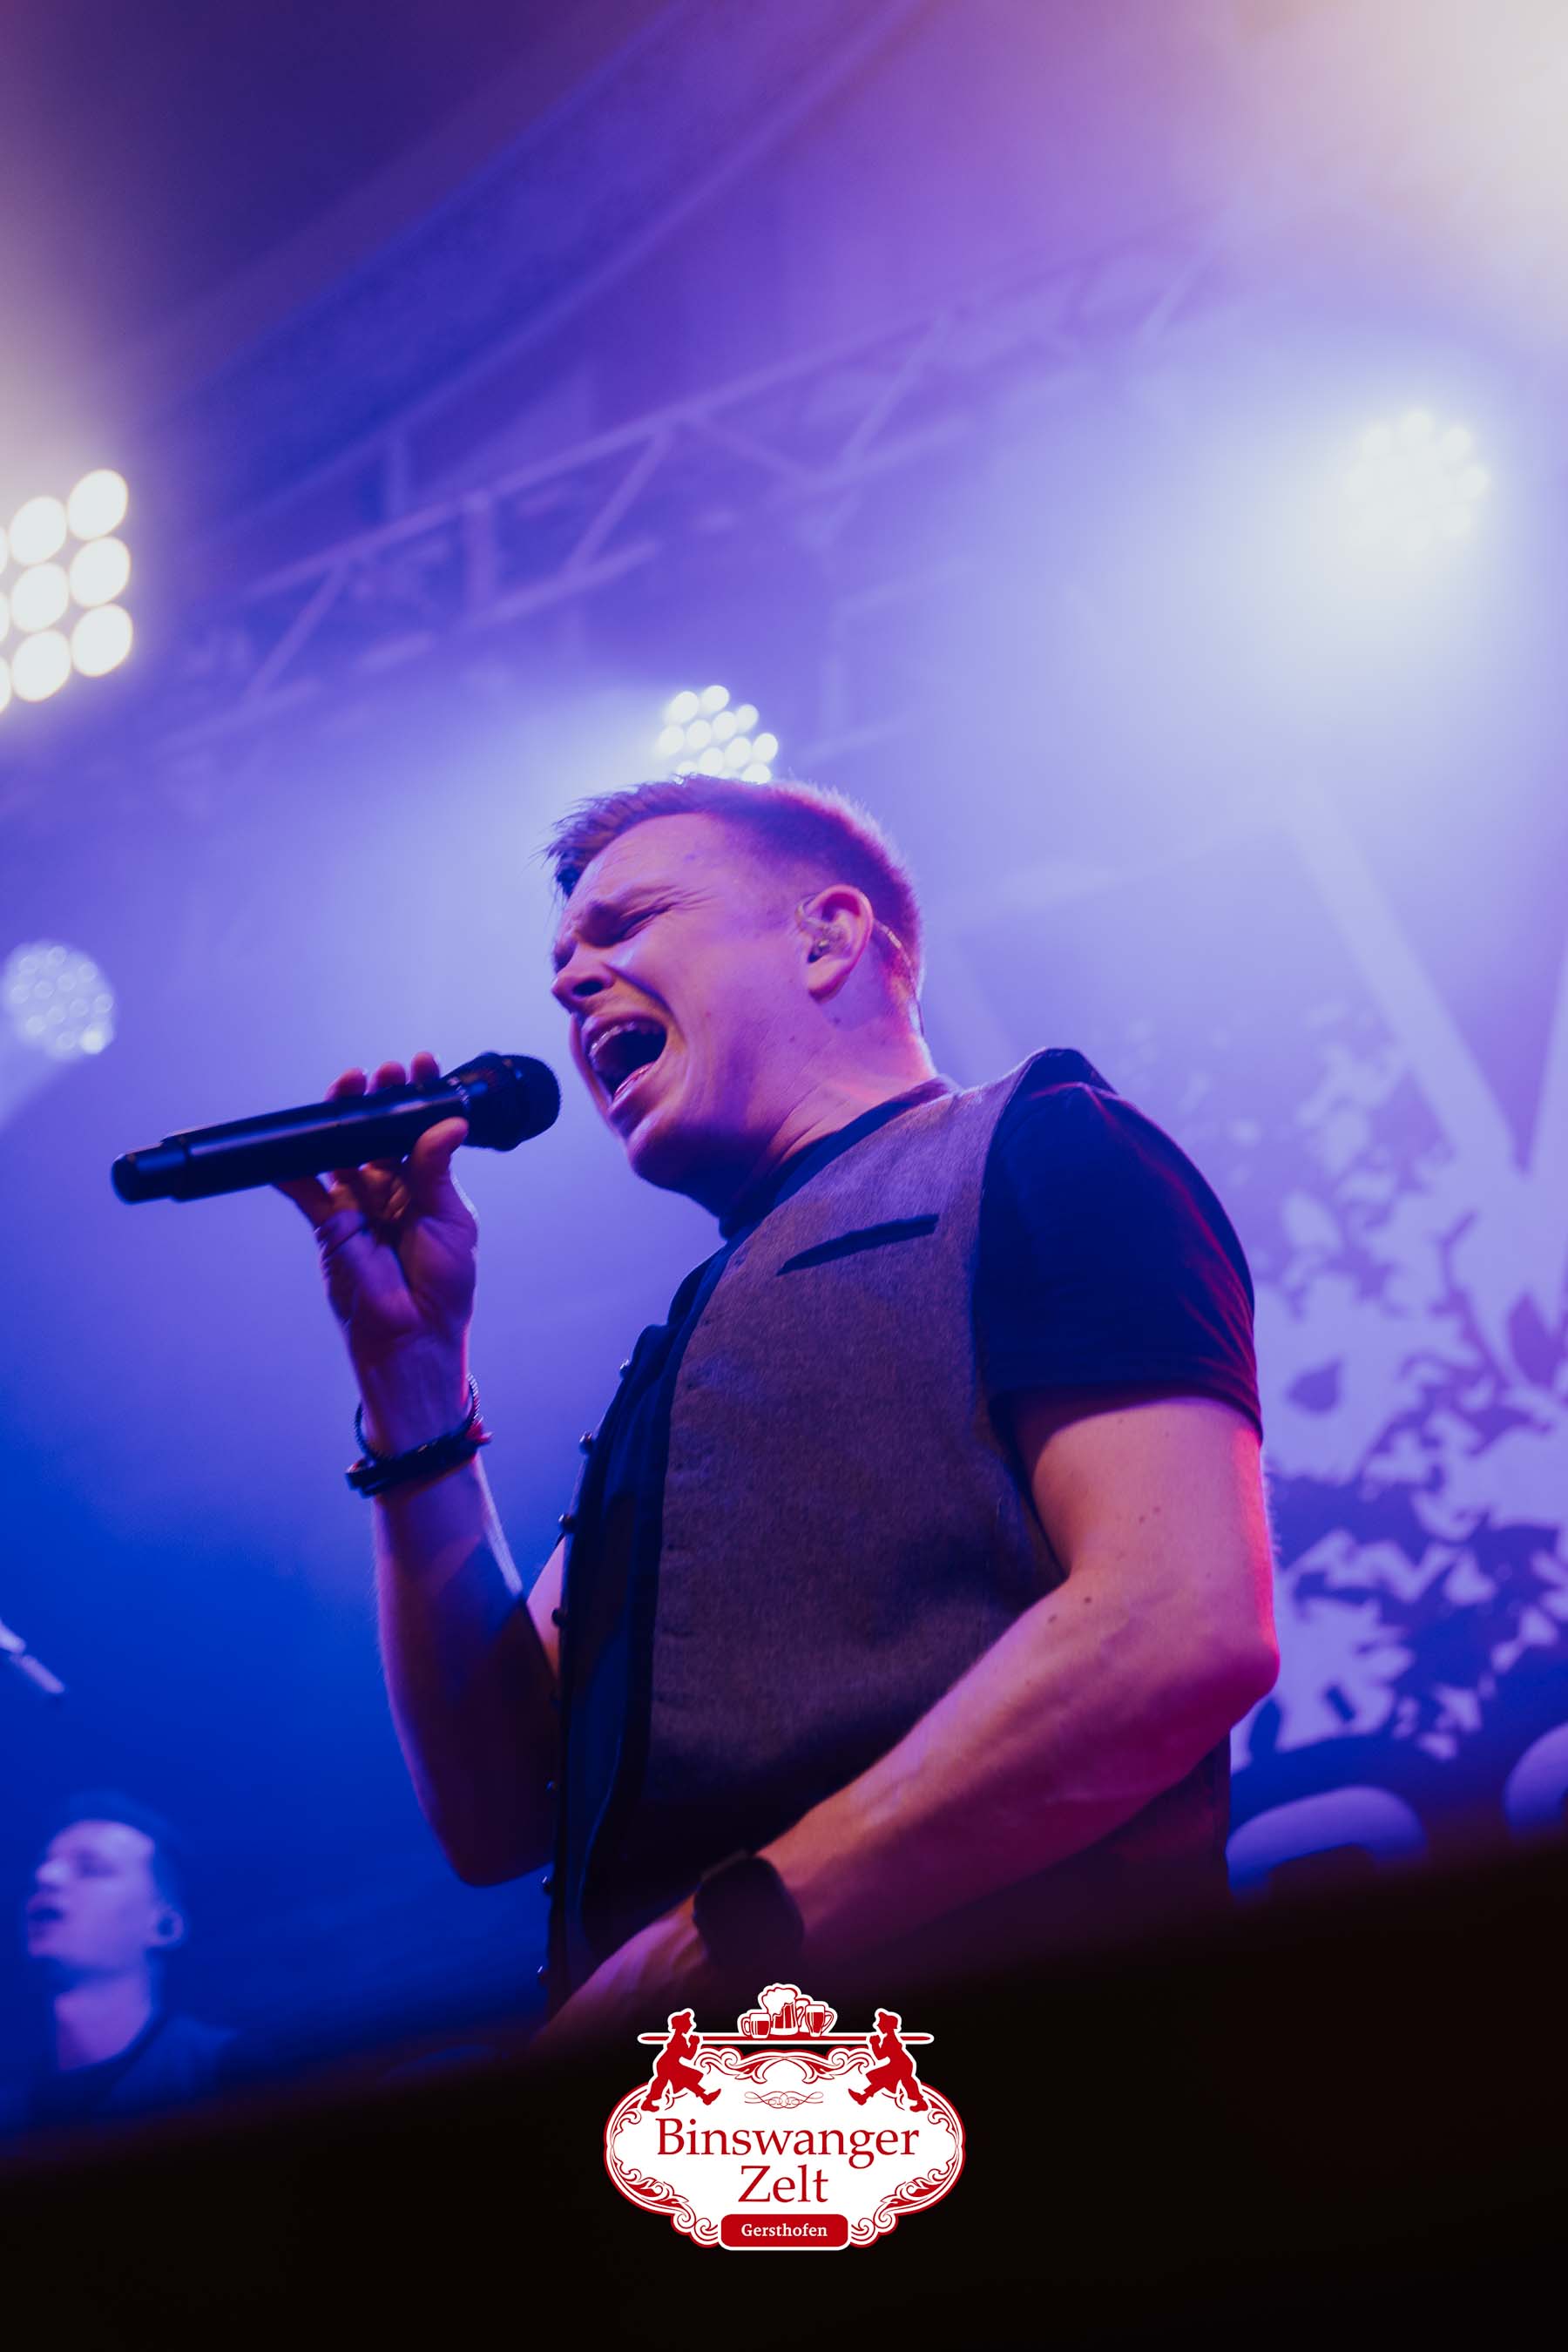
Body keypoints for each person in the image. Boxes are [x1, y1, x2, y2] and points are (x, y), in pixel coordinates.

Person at [277, 774, 1279, 2045]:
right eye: (563, 960)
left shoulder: (1037, 1144)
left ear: (827, 937)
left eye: (628, 924)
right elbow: (496, 1811)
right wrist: (412, 1381)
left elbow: (1177, 1624)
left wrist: (735, 1936)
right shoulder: (683, 1349)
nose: (571, 983)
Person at [9, 1792, 236, 2132]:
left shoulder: (227, 2074)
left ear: (164, 1926)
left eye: (91, 1869)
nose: (46, 1876)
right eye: (45, 1864)